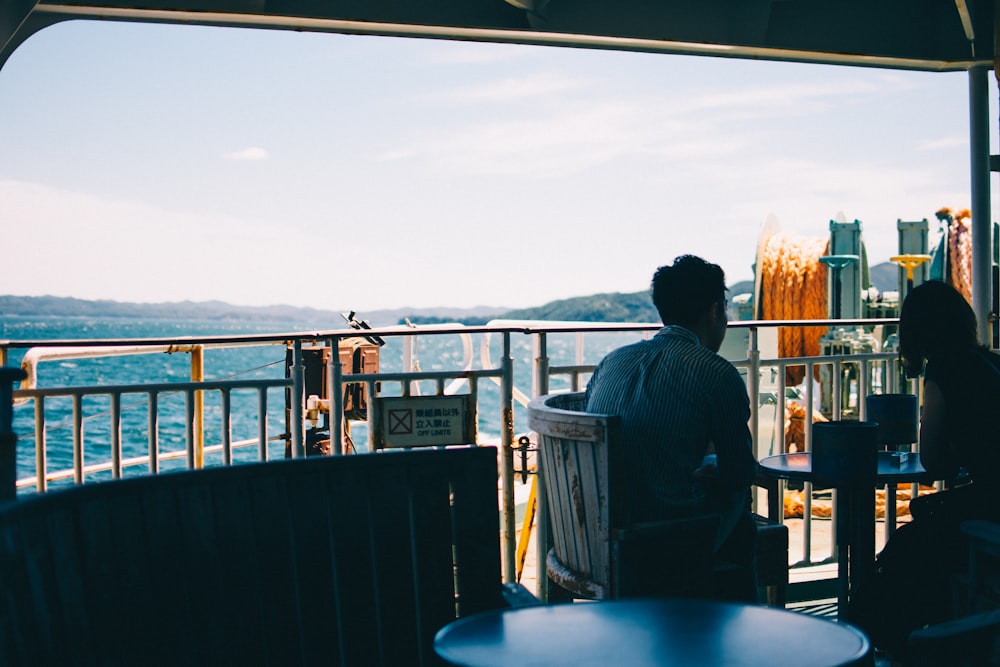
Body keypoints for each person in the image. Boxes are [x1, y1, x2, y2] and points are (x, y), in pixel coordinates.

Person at [585, 255, 759, 600]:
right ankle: (737, 634)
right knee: (742, 509)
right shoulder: (717, 374)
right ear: (714, 311)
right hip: (665, 542)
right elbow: (739, 472)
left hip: (596, 536)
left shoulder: (612, 361)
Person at [854, 280, 1000, 656]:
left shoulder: (943, 370)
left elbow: (931, 464)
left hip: (992, 512)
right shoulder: (991, 361)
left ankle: (868, 644)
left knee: (901, 556)